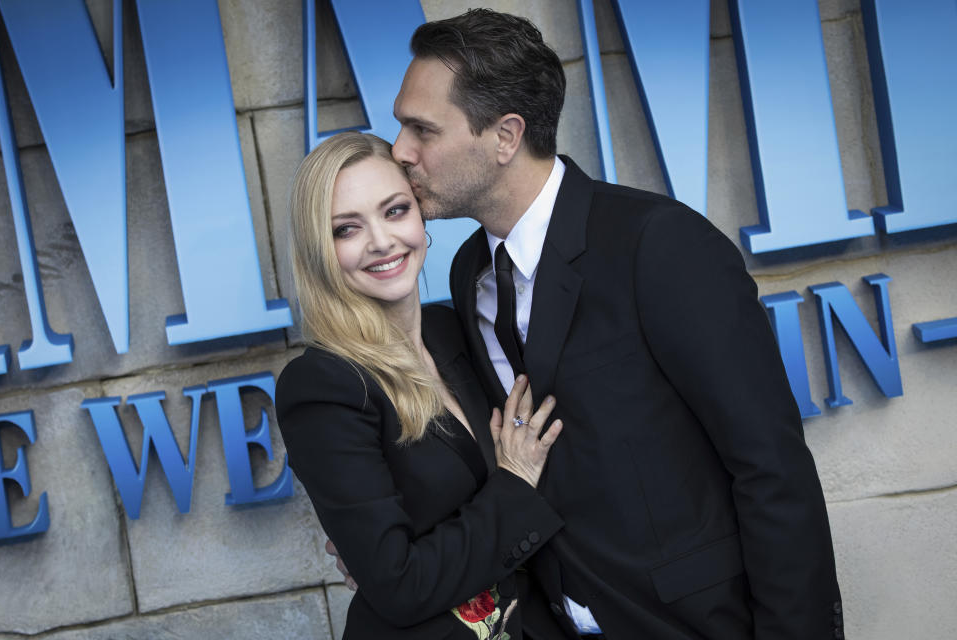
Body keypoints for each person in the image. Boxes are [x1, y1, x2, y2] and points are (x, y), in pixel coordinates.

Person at [389, 9, 844, 640]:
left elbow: (771, 467)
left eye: (421, 129)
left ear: (504, 136)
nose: (400, 152)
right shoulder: (469, 273)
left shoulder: (659, 245)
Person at [275, 131, 566, 640]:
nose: (382, 242)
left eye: (394, 211)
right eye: (347, 229)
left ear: (421, 213)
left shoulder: (454, 327)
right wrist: (516, 483)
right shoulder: (322, 385)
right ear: (321, 250)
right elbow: (399, 585)